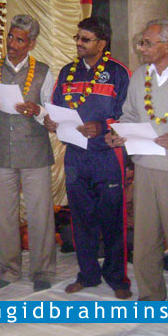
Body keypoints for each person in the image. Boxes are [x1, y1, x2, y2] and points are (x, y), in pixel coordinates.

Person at [105, 19, 168, 301]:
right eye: (140, 43)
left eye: (147, 43)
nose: (141, 48)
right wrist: (120, 133)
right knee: (145, 239)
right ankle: (149, 296)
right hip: (145, 165)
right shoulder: (139, 75)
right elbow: (131, 114)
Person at [45, 16, 132, 300]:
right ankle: (88, 274)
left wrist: (104, 126)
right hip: (75, 156)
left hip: (108, 155)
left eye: (85, 39)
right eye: (77, 38)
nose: (79, 44)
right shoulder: (68, 71)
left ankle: (117, 276)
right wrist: (50, 121)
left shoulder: (119, 73)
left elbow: (128, 115)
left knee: (113, 219)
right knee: (81, 218)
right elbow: (56, 107)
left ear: (102, 43)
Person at [0, 14, 56, 292]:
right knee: (5, 213)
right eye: (10, 36)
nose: (12, 43)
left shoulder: (44, 71)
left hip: (34, 150)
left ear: (31, 44)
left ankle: (42, 270)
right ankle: (8, 269)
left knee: (39, 212)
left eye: (19, 39)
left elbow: (52, 114)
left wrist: (37, 111)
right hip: (1, 150)